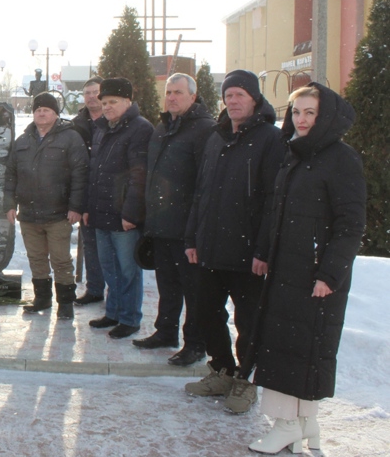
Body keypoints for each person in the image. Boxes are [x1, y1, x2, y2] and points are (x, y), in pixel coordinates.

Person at [247, 83, 365, 454]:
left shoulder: (341, 158)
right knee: (287, 346)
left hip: (315, 275)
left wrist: (329, 275)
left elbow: (351, 224)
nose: (301, 120)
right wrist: (264, 251)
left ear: (325, 116)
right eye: (296, 112)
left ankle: (286, 425)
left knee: (302, 348)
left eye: (310, 113)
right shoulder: (294, 154)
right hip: (286, 271)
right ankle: (306, 424)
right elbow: (276, 210)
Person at [183, 69, 284, 414]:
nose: (234, 101)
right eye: (229, 95)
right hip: (210, 247)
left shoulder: (271, 139)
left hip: (247, 253)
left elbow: (274, 200)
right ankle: (222, 370)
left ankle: (246, 380)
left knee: (249, 321)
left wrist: (263, 249)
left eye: (240, 94)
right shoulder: (216, 137)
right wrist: (193, 236)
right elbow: (202, 192)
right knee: (207, 314)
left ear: (254, 98)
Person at [134, 73, 215, 366]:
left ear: (193, 97)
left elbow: (204, 184)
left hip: (187, 229)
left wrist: (195, 228)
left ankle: (196, 343)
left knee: (193, 290)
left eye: (178, 92)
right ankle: (165, 331)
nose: (171, 97)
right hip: (161, 225)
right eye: (168, 92)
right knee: (167, 285)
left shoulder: (205, 130)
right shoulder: (162, 127)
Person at [4, 92, 89, 319]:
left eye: (47, 110)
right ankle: (42, 299)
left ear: (55, 114)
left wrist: (75, 207)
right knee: (37, 259)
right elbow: (11, 175)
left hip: (59, 214)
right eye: (38, 110)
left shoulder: (70, 138)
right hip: (29, 214)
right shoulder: (22, 141)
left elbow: (80, 175)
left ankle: (66, 304)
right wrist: (10, 204)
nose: (41, 113)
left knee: (61, 260)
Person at [84, 78, 154, 339]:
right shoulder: (102, 129)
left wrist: (131, 213)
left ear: (128, 102)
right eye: (104, 102)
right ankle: (112, 312)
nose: (108, 107)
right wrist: (89, 207)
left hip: (124, 216)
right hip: (101, 213)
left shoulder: (140, 129)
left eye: (113, 102)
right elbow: (95, 172)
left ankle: (129, 318)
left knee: (127, 270)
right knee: (109, 268)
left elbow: (139, 176)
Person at [71, 76, 106, 306]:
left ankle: (120, 296)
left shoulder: (115, 119)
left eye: (96, 92)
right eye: (87, 93)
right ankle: (95, 289)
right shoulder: (77, 124)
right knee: (91, 245)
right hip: (86, 190)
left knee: (113, 250)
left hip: (111, 193)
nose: (92, 97)